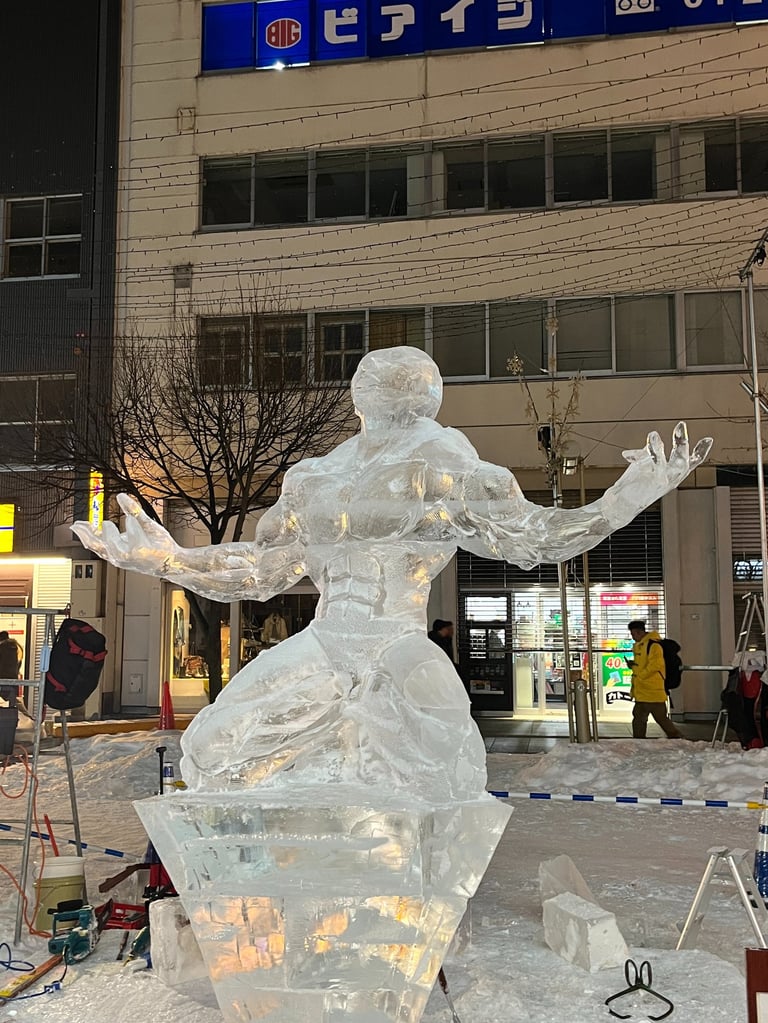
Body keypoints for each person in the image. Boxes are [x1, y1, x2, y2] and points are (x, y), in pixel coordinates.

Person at [72, 348, 709, 794]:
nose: (398, 391)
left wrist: (626, 498)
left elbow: (537, 538)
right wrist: (166, 560)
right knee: (213, 747)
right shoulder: (315, 478)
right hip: (326, 641)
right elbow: (261, 571)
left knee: (443, 757)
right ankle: (291, 860)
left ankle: (406, 875)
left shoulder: (444, 466)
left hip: (397, 641)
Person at [627, 619, 683, 739]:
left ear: (640, 632)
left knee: (660, 718)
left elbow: (656, 665)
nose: (632, 637)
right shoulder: (640, 646)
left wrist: (640, 674)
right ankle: (638, 740)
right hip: (642, 690)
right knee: (639, 717)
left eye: (633, 634)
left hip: (652, 690)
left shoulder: (653, 645)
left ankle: (677, 738)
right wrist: (634, 667)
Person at [0, 630, 22, 708]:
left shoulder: (1, 648)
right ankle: (29, 717)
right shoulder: (18, 647)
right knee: (13, 704)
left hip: (2, 679)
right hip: (13, 679)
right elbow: (19, 663)